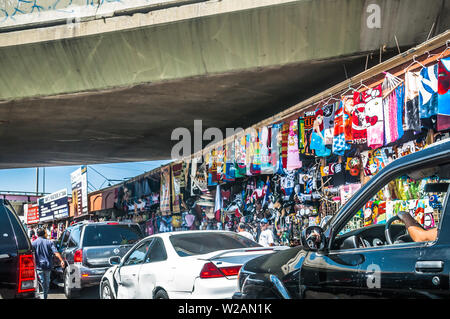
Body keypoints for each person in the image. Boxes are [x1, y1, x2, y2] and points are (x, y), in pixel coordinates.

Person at [32, 228, 65, 299]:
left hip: (39, 267)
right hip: (48, 267)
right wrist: (61, 260)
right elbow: (56, 252)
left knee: (41, 284)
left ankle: (43, 297)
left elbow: (31, 254)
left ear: (37, 234)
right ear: (44, 233)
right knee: (47, 284)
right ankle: (44, 297)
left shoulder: (34, 243)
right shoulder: (49, 242)